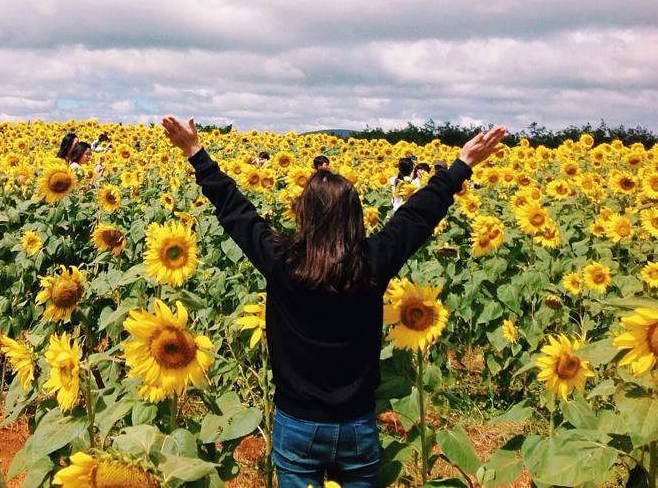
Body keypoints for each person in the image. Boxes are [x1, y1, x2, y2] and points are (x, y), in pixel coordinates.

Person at [161, 115, 506, 487]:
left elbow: (235, 209)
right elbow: (417, 216)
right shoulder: (373, 262)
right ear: (355, 217)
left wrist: (195, 152)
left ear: (303, 213)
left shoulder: (282, 262)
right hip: (355, 422)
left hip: (296, 422)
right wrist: (461, 166)